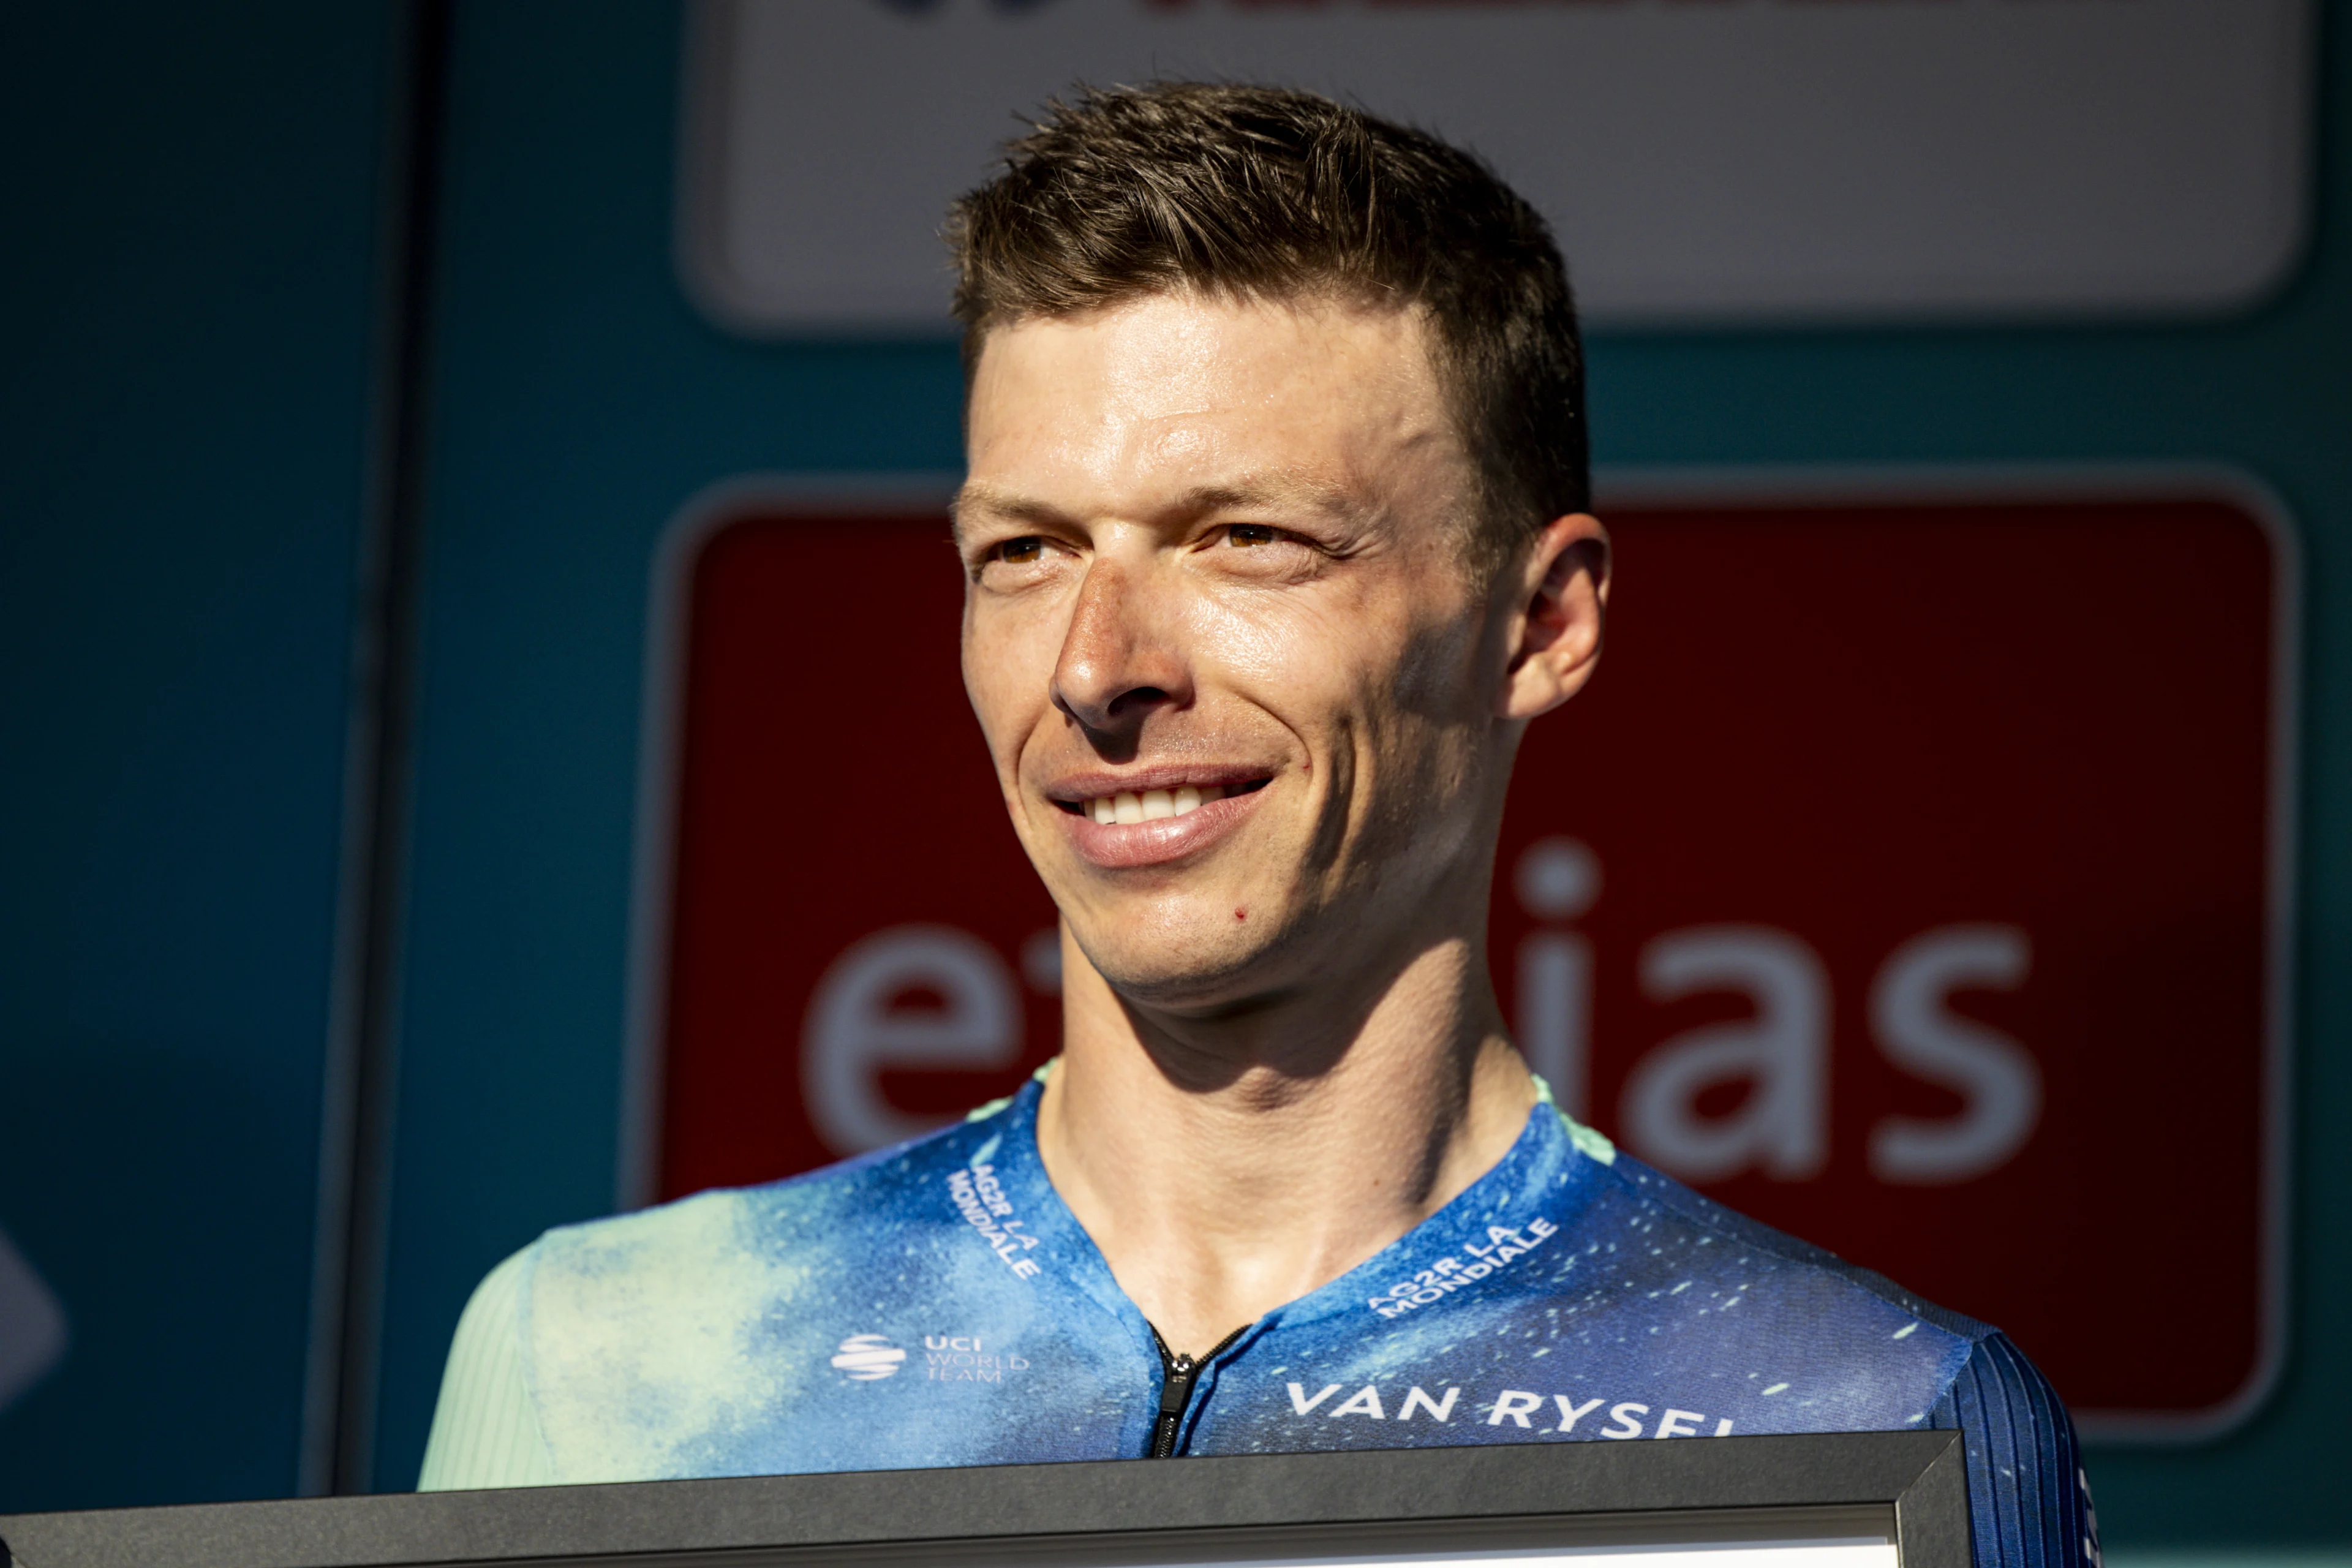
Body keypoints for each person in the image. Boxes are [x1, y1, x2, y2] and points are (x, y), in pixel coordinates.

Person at [418, 81, 2094, 1568]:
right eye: (1026, 552)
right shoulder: (598, 1358)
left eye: (1248, 541)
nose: (1097, 669)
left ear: (1542, 624)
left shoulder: (1871, 1418)